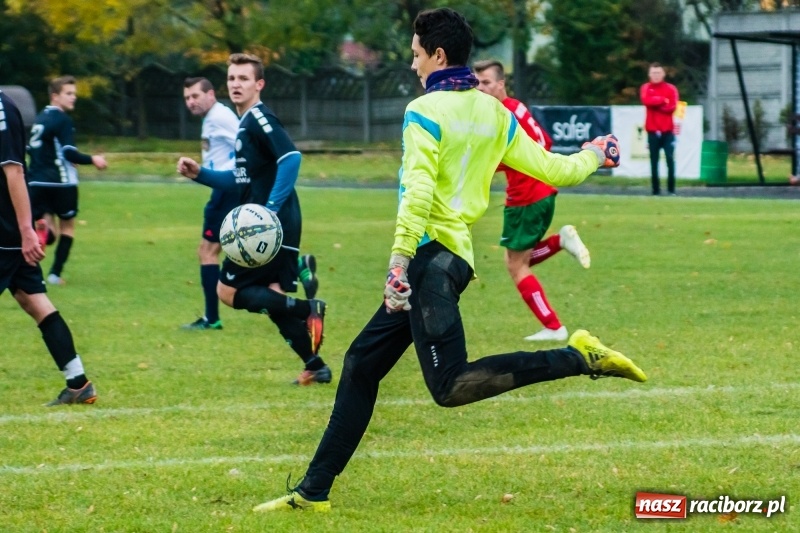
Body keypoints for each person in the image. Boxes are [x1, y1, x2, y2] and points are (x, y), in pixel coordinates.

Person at [254, 8, 646, 512]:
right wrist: (596, 151)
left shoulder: (425, 110)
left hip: (428, 261)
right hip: (447, 259)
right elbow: (555, 168)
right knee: (359, 365)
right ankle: (313, 492)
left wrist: (397, 262)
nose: (413, 64)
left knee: (450, 385)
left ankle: (578, 356)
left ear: (438, 55)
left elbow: (417, 192)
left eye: (416, 54)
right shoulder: (495, 112)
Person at [177, 53, 330, 386]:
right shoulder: (245, 124)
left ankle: (307, 309)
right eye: (231, 78)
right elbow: (240, 180)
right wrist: (200, 174)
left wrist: (270, 210)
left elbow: (291, 157)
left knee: (227, 291)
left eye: (243, 78)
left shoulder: (259, 118)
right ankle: (315, 365)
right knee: (273, 296)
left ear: (259, 84)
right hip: (277, 223)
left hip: (269, 224)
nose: (236, 84)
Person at [473, 59, 590, 342]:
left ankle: (554, 327)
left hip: (526, 197)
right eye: (477, 82)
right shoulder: (517, 107)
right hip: (542, 191)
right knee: (517, 260)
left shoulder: (502, 114)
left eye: (486, 82)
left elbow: (499, 157)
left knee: (515, 265)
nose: (480, 87)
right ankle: (560, 241)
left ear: (501, 83)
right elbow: (544, 143)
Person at [0, 89, 97, 406]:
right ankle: (78, 382)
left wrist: (27, 229)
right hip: (12, 228)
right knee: (33, 299)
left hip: (6, 228)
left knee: (34, 299)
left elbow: (13, 170)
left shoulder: (2, 108)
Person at [27, 75, 108, 285]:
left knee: (45, 228)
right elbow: (69, 153)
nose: (74, 98)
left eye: (74, 94)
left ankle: (36, 271)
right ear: (55, 96)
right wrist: (94, 159)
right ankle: (54, 274)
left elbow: (32, 149)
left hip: (35, 182)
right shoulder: (62, 120)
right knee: (68, 229)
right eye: (69, 94)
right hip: (62, 183)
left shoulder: (39, 118)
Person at [180, 76, 242, 331]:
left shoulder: (220, 117)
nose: (191, 102)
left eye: (195, 96)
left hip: (227, 190)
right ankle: (297, 265)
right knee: (235, 248)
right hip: (226, 188)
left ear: (211, 94)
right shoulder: (214, 117)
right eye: (187, 98)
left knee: (207, 252)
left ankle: (211, 318)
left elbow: (245, 145)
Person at [639, 63, 679, 196]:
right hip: (652, 131)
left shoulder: (671, 88)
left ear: (663, 74)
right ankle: (655, 190)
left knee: (669, 159)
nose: (656, 76)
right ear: (649, 74)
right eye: (653, 73)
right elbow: (646, 101)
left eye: (658, 73)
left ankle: (671, 190)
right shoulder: (646, 88)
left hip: (667, 131)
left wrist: (657, 104)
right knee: (654, 161)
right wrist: (662, 100)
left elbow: (672, 107)